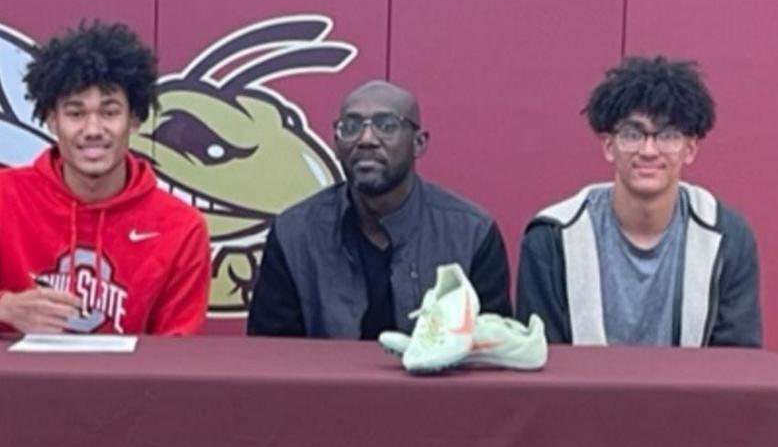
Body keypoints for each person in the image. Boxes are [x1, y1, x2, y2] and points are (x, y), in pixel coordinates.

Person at [0, 21, 210, 335]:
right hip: (22, 382)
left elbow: (177, 357)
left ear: (134, 119)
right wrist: (1, 308)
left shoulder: (181, 227)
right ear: (52, 120)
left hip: (125, 385)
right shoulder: (1, 195)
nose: (93, 130)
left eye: (109, 112)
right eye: (75, 113)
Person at [517, 56, 760, 346]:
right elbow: (540, 366)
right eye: (632, 134)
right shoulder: (552, 237)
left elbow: (736, 365)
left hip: (690, 392)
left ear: (690, 148)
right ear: (609, 145)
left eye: (668, 135)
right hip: (584, 393)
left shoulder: (727, 236)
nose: (648, 150)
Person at [247, 79, 510, 338]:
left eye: (386, 125)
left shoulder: (471, 234)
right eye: (350, 127)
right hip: (327, 381)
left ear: (418, 143)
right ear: (336, 144)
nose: (366, 139)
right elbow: (270, 360)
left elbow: (493, 354)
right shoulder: (295, 235)